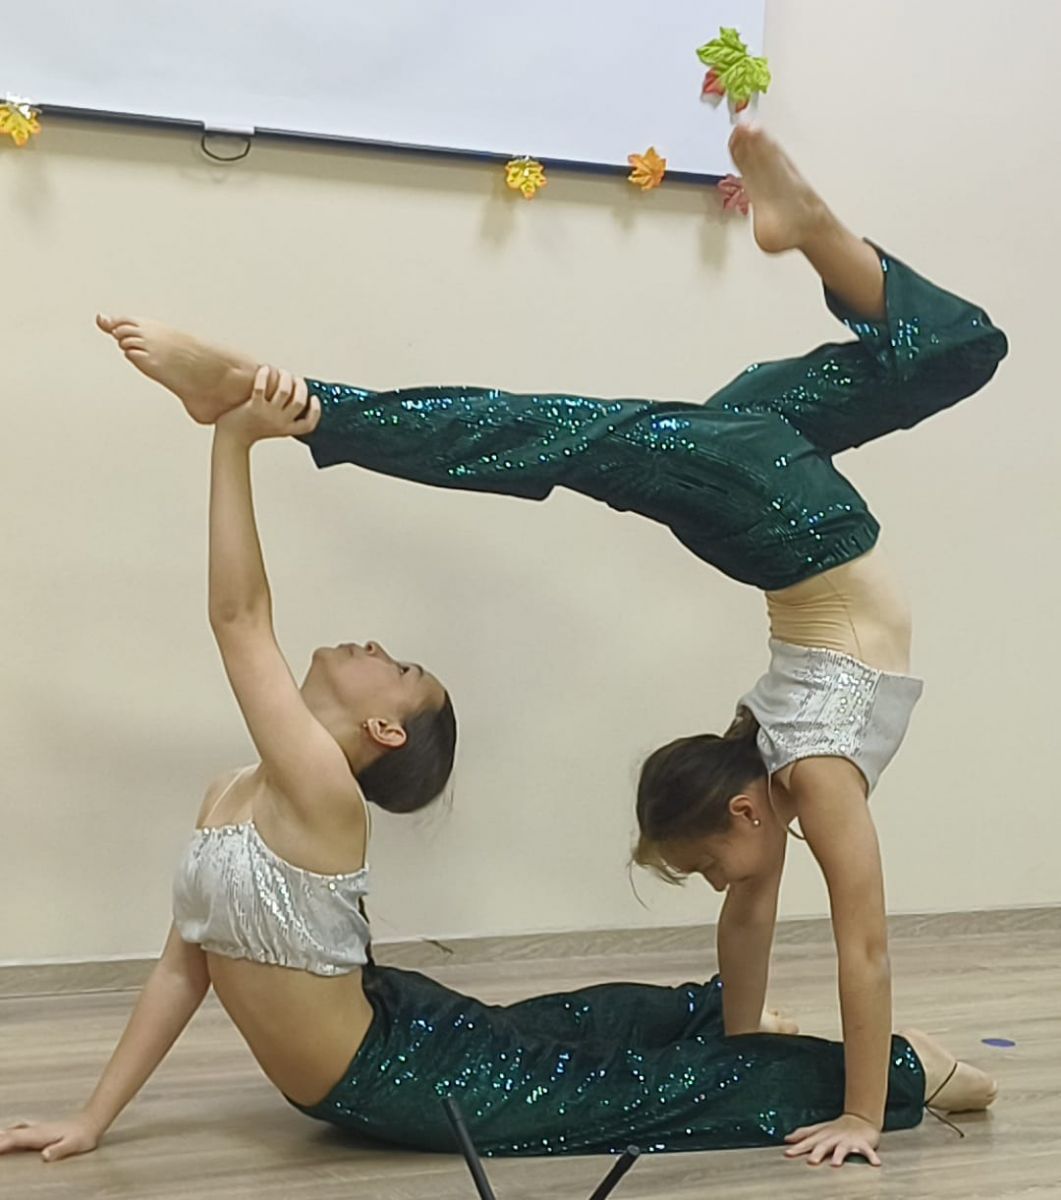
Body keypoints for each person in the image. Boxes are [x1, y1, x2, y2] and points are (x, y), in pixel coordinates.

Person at [52, 124, 1003, 1168]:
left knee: (953, 349)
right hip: (801, 536)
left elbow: (755, 916)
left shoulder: (765, 764)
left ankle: (806, 230)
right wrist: (855, 1105)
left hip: (785, 535)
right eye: (710, 868)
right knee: (585, 433)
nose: (721, 884)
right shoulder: (806, 778)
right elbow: (855, 943)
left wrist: (89, 1124)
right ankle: (309, 402)